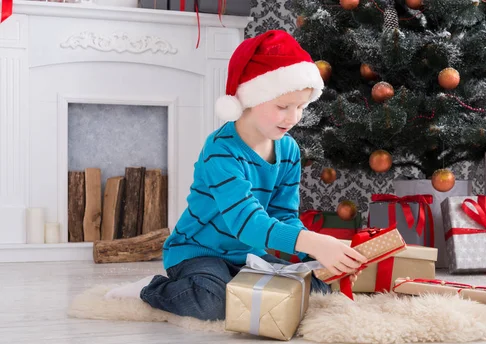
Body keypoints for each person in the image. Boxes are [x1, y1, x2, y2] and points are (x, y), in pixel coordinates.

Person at [104, 30, 367, 320]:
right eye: (283, 107)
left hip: (248, 255)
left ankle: (246, 282)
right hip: (199, 252)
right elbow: (247, 223)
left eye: (301, 107)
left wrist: (318, 259)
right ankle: (151, 289)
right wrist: (316, 243)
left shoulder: (289, 150)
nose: (292, 118)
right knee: (211, 302)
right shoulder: (221, 150)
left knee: (316, 286)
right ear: (252, 99)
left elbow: (283, 216)